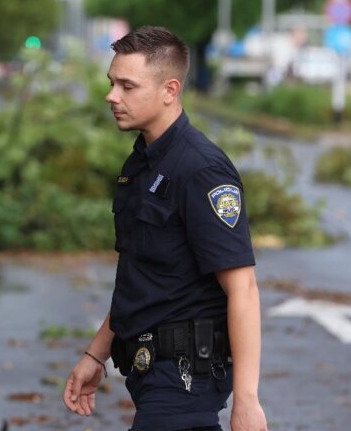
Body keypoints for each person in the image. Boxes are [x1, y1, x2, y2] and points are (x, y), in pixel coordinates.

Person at [63, 26, 267, 431]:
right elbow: (142, 278)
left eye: (127, 86)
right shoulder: (139, 164)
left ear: (169, 90)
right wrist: (95, 355)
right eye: (111, 83)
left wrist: (246, 400)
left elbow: (242, 287)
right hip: (149, 374)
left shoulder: (201, 169)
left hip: (185, 377)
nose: (111, 96)